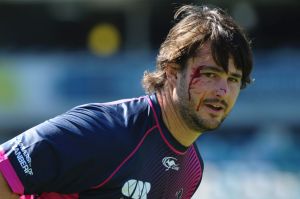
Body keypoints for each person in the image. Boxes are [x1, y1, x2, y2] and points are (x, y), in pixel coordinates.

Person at [0, 4, 253, 199]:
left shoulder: (192, 170)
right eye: (210, 74)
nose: (223, 90)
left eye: (233, 79)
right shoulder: (103, 130)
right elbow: (4, 170)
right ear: (173, 71)